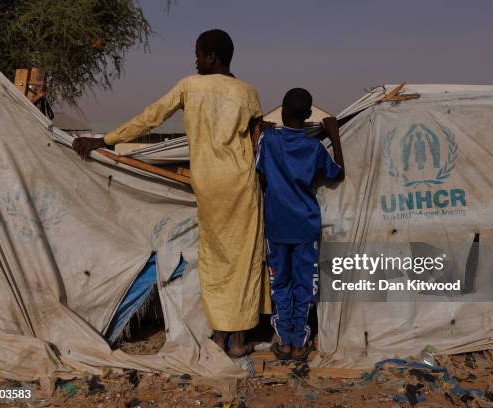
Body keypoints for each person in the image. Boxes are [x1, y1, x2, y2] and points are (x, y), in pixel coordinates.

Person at [72, 29, 268, 357]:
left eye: (197, 54)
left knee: (215, 258)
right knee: (244, 258)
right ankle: (237, 341)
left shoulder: (189, 87)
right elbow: (256, 139)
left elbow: (151, 118)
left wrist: (106, 140)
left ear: (211, 57)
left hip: (208, 184)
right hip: (242, 185)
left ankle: (220, 336)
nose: (194, 61)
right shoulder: (248, 92)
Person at [255, 88, 344, 360]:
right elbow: (337, 173)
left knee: (279, 283)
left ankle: (284, 342)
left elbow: (258, 173)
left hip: (277, 226)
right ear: (308, 116)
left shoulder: (269, 141)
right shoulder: (314, 147)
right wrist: (335, 135)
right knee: (304, 284)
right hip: (306, 225)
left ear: (281, 110)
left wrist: (258, 131)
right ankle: (299, 341)